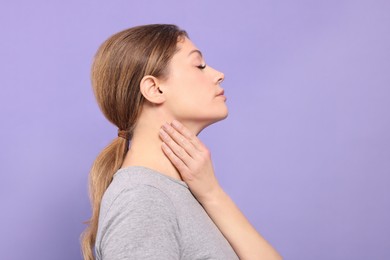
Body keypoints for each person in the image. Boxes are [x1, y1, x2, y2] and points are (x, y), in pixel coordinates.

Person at [81, 24, 282, 260]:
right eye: (199, 66)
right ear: (154, 89)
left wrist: (212, 193)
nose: (219, 74)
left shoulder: (181, 191)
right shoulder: (142, 200)